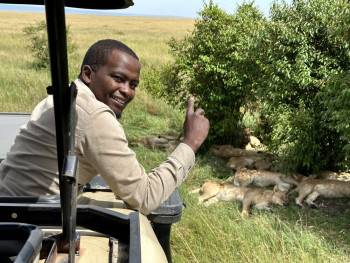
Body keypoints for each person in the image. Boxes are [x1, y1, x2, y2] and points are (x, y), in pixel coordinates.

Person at [0, 39, 209, 215]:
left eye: (133, 84)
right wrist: (190, 143)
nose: (127, 91)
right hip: (27, 222)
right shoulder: (94, 114)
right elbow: (144, 197)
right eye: (118, 78)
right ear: (88, 74)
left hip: (11, 206)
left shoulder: (65, 95)